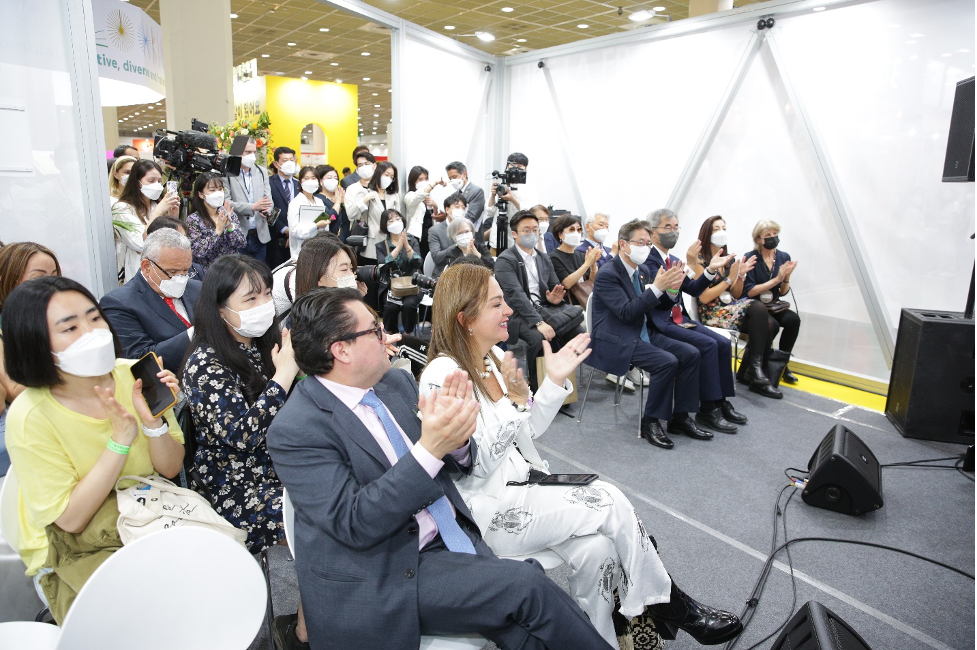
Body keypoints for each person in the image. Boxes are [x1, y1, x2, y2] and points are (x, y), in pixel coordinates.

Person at [266, 287, 613, 650]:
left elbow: (458, 462)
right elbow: (357, 522)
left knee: (526, 624)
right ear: (342, 350)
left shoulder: (394, 383)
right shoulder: (297, 428)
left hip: (450, 538)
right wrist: (431, 447)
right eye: (375, 330)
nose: (389, 336)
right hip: (384, 570)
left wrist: (458, 438)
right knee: (527, 588)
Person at [420, 264, 743, 647]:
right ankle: (671, 603)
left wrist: (551, 382)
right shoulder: (444, 373)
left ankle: (600, 641)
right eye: (496, 304)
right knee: (607, 499)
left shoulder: (490, 356)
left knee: (600, 551)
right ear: (465, 318)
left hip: (525, 492)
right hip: (490, 514)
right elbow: (475, 465)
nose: (509, 310)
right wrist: (515, 403)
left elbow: (526, 435)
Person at [3, 276, 184, 620]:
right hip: (76, 547)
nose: (92, 332)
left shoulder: (133, 375)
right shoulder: (30, 416)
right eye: (69, 328)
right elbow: (71, 520)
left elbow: (171, 468)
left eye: (95, 318)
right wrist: (120, 440)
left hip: (145, 518)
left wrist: (153, 423)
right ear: (36, 343)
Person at [182, 255, 298, 551]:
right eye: (250, 299)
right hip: (236, 483)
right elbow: (242, 436)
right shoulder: (205, 364)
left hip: (280, 467)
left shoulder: (263, 343)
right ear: (221, 310)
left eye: (267, 295)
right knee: (320, 516)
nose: (263, 305)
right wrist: (284, 376)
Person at [591, 220, 707, 449]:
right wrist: (657, 288)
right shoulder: (607, 274)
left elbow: (653, 304)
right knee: (666, 362)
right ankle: (650, 421)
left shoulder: (641, 271)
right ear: (623, 245)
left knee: (691, 353)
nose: (645, 247)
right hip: (618, 337)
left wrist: (671, 289)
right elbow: (626, 313)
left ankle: (681, 417)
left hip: (642, 332)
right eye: (640, 242)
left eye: (647, 242)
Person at [644, 209, 749, 435]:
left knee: (722, 343)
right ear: (653, 233)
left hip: (679, 319)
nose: (673, 232)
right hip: (662, 322)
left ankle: (720, 401)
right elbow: (656, 301)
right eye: (667, 227)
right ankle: (707, 408)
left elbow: (691, 289)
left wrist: (710, 270)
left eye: (676, 227)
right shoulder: (648, 261)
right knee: (707, 346)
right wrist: (682, 275)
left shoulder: (672, 259)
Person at [494, 210, 585, 394]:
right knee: (539, 338)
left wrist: (553, 297)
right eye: (526, 230)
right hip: (517, 314)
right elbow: (516, 295)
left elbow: (553, 287)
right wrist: (538, 322)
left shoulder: (543, 258)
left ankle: (561, 383)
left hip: (544, 309)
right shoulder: (506, 260)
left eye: (535, 229)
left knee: (578, 332)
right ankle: (538, 389)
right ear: (514, 234)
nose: (532, 234)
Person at [693, 216, 781, 399]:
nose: (721, 232)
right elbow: (704, 296)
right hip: (712, 312)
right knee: (757, 307)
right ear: (707, 233)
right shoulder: (699, 261)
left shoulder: (729, 259)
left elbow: (737, 294)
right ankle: (755, 369)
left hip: (729, 308)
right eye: (716, 229)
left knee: (772, 324)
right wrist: (728, 279)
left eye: (724, 228)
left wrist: (739, 276)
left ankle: (749, 370)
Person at [100, 229, 201, 373]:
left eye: (185, 271)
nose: (181, 279)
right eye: (172, 272)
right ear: (147, 267)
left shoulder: (196, 287)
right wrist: (196, 333)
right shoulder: (119, 303)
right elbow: (140, 360)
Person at [0, 242, 63, 433]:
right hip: (37, 426)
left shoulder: (61, 318)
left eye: (55, 276)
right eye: (39, 277)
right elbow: (16, 391)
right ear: (8, 281)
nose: (51, 284)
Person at [742, 220, 801, 385]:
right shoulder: (751, 257)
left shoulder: (783, 257)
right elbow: (750, 291)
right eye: (768, 235)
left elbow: (782, 292)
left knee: (793, 320)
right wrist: (777, 279)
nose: (773, 238)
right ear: (759, 239)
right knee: (771, 324)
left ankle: (782, 364)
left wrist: (786, 278)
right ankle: (760, 365)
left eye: (775, 234)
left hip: (774, 304)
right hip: (756, 307)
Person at [111, 159, 180, 283]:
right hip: (139, 274)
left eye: (159, 181)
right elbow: (140, 243)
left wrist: (172, 216)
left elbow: (174, 240)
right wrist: (158, 212)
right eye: (151, 181)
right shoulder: (121, 209)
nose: (157, 185)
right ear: (137, 183)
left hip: (164, 271)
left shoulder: (156, 205)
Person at [271, 234, 367, 320]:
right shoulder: (296, 279)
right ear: (319, 275)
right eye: (344, 269)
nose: (351, 276)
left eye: (351, 269)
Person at [224, 137, 275, 263]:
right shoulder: (227, 173)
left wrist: (267, 208)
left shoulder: (261, 172)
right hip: (238, 233)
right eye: (247, 152)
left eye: (254, 152)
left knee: (259, 275)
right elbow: (226, 203)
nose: (252, 156)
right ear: (237, 153)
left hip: (260, 234)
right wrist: (252, 207)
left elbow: (269, 199)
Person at [345, 158, 403, 263]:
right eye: (386, 175)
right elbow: (351, 214)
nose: (389, 178)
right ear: (378, 173)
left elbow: (399, 218)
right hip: (371, 245)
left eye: (392, 177)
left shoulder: (393, 196)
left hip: (391, 244)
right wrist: (365, 200)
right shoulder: (365, 192)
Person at [185, 172, 247, 269]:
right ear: (201, 194)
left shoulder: (228, 213)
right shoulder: (194, 219)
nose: (218, 193)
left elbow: (241, 243)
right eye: (212, 190)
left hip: (231, 270)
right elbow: (198, 252)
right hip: (208, 272)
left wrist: (229, 225)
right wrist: (217, 231)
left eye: (220, 189)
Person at [376, 208, 423, 336]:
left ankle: (408, 335)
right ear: (385, 226)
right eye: (390, 220)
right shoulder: (381, 245)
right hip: (391, 286)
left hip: (412, 284)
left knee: (409, 305)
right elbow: (383, 265)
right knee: (391, 306)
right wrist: (398, 247)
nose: (396, 222)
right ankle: (389, 333)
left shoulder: (412, 241)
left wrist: (407, 246)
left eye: (398, 218)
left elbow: (418, 263)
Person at [548, 214, 600, 306]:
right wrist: (587, 264)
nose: (576, 233)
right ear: (560, 234)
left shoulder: (581, 255)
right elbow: (567, 284)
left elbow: (591, 282)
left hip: (586, 301)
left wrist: (593, 264)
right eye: (571, 229)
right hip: (569, 305)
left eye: (579, 230)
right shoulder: (554, 257)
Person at [486, 152, 532, 250]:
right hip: (496, 241)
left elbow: (529, 213)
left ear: (525, 169)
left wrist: (512, 199)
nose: (515, 172)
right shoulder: (501, 186)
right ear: (507, 168)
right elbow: (489, 212)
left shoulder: (529, 189)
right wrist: (493, 196)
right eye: (512, 168)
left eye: (519, 168)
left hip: (518, 242)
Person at [287, 165, 329, 261]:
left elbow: (324, 227)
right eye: (306, 178)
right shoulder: (295, 203)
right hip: (301, 252)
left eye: (313, 178)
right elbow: (294, 231)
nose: (310, 181)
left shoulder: (319, 201)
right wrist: (315, 225)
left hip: (319, 250)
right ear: (300, 182)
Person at [145, 216, 206, 280]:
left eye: (184, 237)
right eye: (172, 272)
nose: (183, 242)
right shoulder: (149, 271)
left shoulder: (197, 270)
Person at [267, 146, 300, 267]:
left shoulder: (299, 184)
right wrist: (285, 230)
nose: (289, 163)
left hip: (298, 238)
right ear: (276, 164)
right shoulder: (268, 183)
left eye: (291, 160)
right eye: (285, 160)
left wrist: (293, 233)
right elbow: (268, 211)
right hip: (276, 239)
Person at [404, 166, 443, 259]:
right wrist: (435, 182)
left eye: (426, 179)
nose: (424, 182)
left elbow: (432, 218)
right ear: (413, 181)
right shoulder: (410, 196)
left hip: (429, 237)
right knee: (418, 262)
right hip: (417, 237)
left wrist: (435, 207)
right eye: (420, 179)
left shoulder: (429, 197)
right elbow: (418, 196)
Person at [428, 191, 467, 270]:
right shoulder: (435, 231)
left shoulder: (468, 229)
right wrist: (457, 244)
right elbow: (437, 258)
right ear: (447, 210)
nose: (461, 210)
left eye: (463, 208)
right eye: (457, 207)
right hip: (444, 273)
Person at [445, 161, 485, 228]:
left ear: (464, 174)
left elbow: (471, 217)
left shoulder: (476, 191)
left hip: (471, 233)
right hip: (456, 234)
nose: (452, 180)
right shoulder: (455, 194)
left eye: (454, 177)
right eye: (450, 178)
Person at [313, 164, 343, 235]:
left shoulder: (338, 196)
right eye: (329, 178)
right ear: (320, 181)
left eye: (335, 178)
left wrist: (343, 203)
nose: (333, 180)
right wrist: (337, 203)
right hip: (326, 238)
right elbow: (329, 218)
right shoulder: (318, 199)